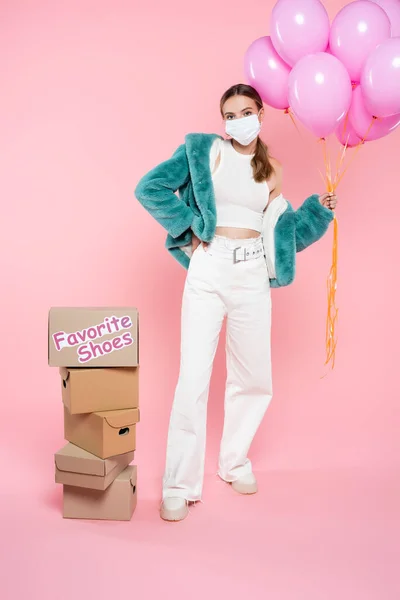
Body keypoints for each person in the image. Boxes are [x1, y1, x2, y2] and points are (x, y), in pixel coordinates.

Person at [135, 83, 337, 522]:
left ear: (261, 114)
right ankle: (178, 484)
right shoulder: (205, 151)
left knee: (254, 375)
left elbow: (286, 235)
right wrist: (190, 228)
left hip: (251, 274)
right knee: (193, 377)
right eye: (229, 115)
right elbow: (149, 188)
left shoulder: (274, 171)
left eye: (245, 111)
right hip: (209, 267)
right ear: (221, 120)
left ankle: (234, 461)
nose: (237, 121)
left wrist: (318, 210)